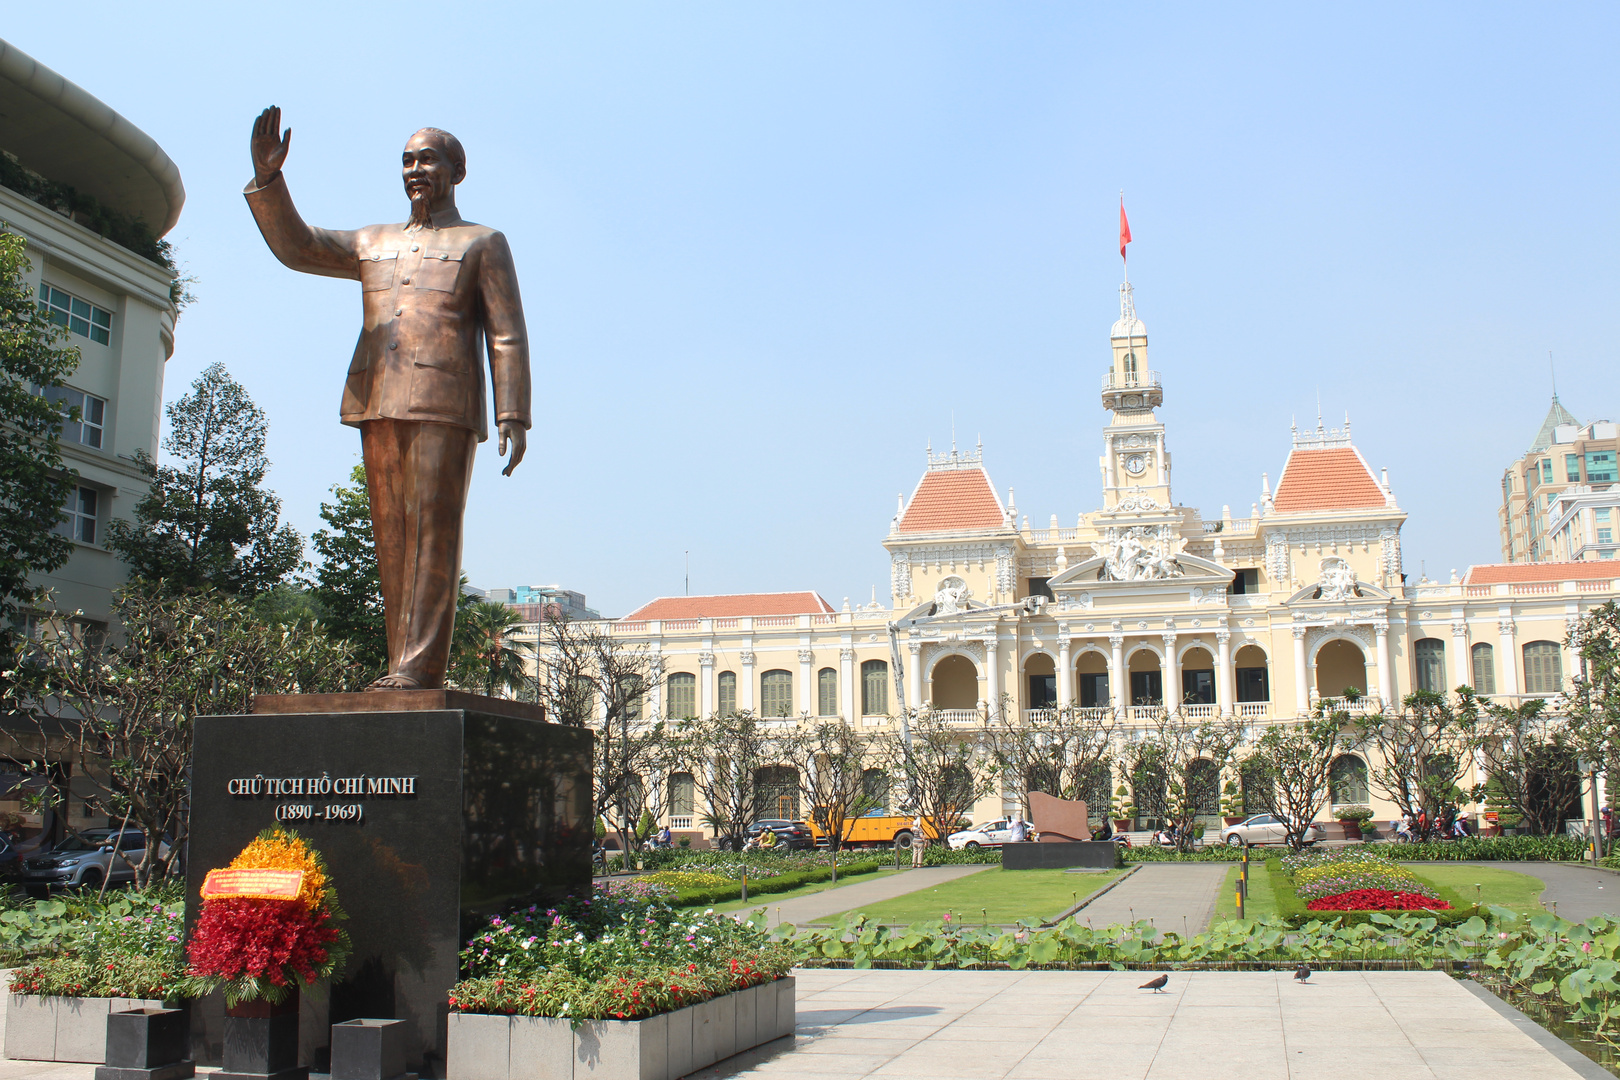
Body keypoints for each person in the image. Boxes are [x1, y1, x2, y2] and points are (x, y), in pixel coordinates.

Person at [244, 107, 531, 690]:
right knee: (392, 540)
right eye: (407, 160)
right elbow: (298, 247)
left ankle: (420, 667)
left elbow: (506, 332)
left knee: (433, 534)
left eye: (427, 159)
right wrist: (270, 180)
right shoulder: (371, 241)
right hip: (376, 399)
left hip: (444, 403)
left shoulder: (482, 241)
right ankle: (400, 663)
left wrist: (513, 412)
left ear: (458, 170)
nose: (415, 170)